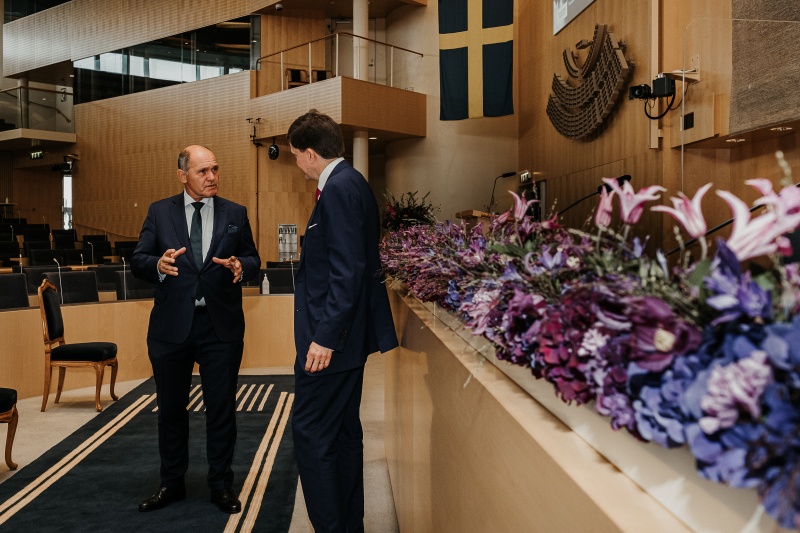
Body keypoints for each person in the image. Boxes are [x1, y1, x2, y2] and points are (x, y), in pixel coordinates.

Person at [132, 145, 260, 514]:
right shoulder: (160, 212)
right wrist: (158, 263)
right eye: (203, 171)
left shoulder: (236, 212)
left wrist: (242, 266)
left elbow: (252, 257)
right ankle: (172, 483)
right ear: (182, 175)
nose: (212, 178)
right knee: (171, 410)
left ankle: (221, 486)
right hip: (171, 328)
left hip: (220, 327)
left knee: (221, 409)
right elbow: (139, 260)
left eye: (215, 170)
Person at [287, 110, 399, 531]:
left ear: (311, 154)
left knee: (312, 434)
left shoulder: (338, 189)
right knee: (343, 434)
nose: (297, 163)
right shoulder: (350, 184)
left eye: (297, 155)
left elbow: (347, 271)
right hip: (344, 341)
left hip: (331, 344)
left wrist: (325, 338)